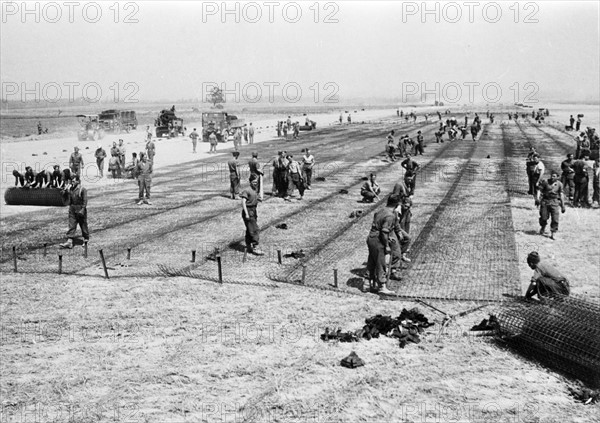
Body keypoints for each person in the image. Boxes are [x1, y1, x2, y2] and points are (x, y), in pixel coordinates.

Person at [365, 194, 401, 295]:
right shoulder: (390, 215)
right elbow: (384, 231)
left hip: (371, 237)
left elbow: (378, 226)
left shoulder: (380, 210)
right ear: (397, 204)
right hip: (378, 240)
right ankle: (382, 286)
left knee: (372, 261)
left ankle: (366, 284)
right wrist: (387, 245)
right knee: (381, 262)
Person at [59, 175, 89, 249]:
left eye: (74, 181)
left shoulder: (82, 189)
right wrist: (64, 191)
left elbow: (85, 201)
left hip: (80, 208)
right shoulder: (70, 189)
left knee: (83, 225)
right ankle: (70, 242)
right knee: (72, 225)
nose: (72, 182)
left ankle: (85, 239)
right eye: (71, 181)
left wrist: (82, 209)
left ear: (78, 181)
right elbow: (65, 197)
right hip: (72, 208)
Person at [536, 170, 565, 239]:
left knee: (555, 218)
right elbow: (539, 190)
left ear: (558, 177)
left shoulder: (560, 184)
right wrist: (537, 199)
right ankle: (543, 226)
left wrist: (563, 205)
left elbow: (561, 194)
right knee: (544, 217)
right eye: (551, 176)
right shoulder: (545, 182)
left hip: (554, 202)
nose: (552, 177)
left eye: (554, 176)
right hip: (545, 201)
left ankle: (553, 232)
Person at [241, 175, 264, 255]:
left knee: (249, 229)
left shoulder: (255, 189)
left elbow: (255, 197)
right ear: (250, 182)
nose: (255, 183)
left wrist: (258, 199)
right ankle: (255, 247)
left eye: (256, 182)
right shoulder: (246, 190)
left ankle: (248, 246)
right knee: (255, 229)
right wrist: (247, 213)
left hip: (254, 211)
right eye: (254, 182)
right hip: (248, 211)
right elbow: (243, 202)